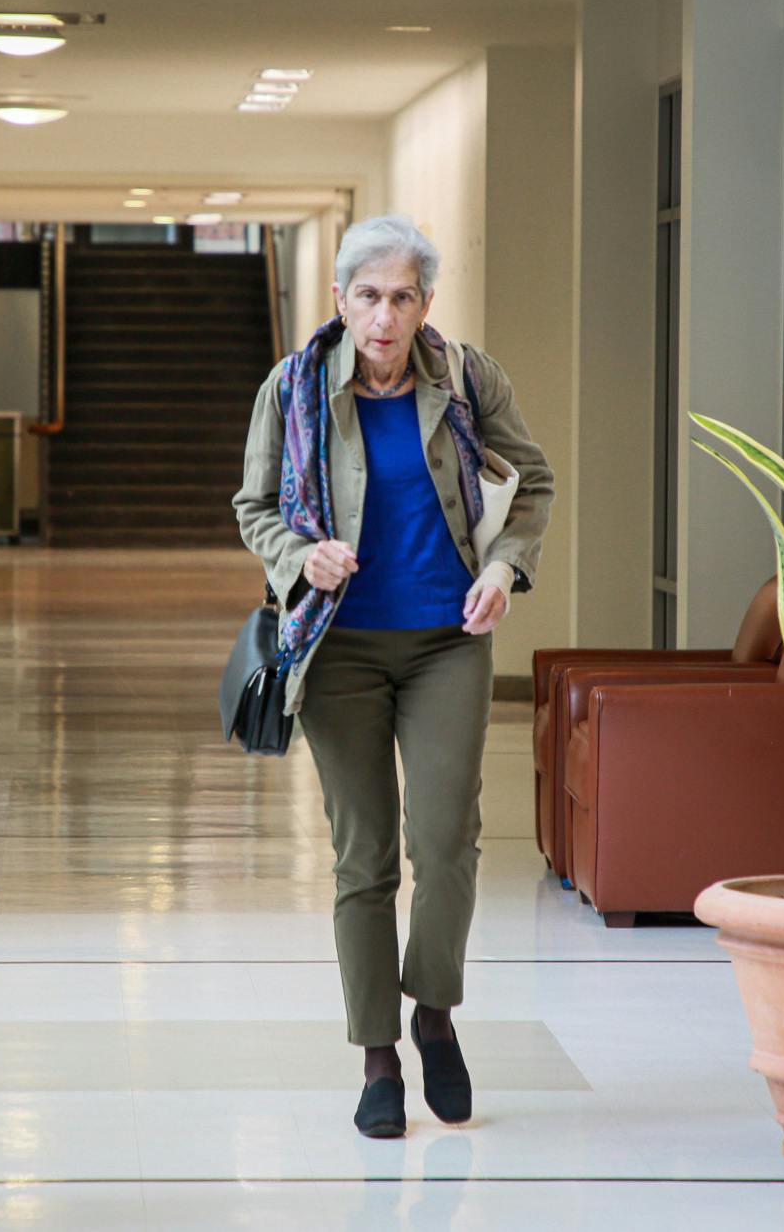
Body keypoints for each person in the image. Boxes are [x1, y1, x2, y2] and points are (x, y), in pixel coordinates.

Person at [234, 214, 554, 1138]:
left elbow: (531, 479)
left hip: (448, 640)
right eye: (368, 296)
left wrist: (502, 569)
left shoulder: (465, 378)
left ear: (424, 304)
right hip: (338, 646)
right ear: (340, 299)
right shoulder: (293, 388)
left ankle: (435, 1012)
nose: (384, 317)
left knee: (448, 839)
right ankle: (379, 1056)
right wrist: (301, 556)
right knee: (361, 856)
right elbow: (253, 505)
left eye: (402, 297)